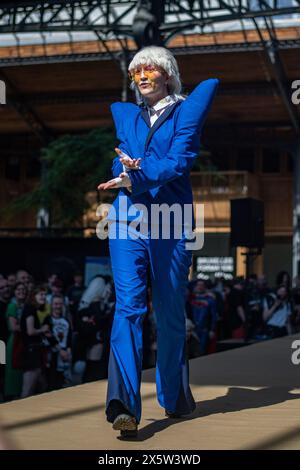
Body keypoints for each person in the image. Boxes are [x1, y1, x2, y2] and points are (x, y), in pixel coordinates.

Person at [98, 45, 219, 437]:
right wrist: (123, 168)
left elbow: (180, 160)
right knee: (128, 306)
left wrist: (139, 172)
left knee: (168, 312)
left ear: (167, 73)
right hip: (126, 217)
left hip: (170, 221)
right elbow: (121, 157)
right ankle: (123, 405)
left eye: (150, 69)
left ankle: (174, 395)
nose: (143, 76)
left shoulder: (185, 111)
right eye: (136, 72)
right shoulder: (129, 116)